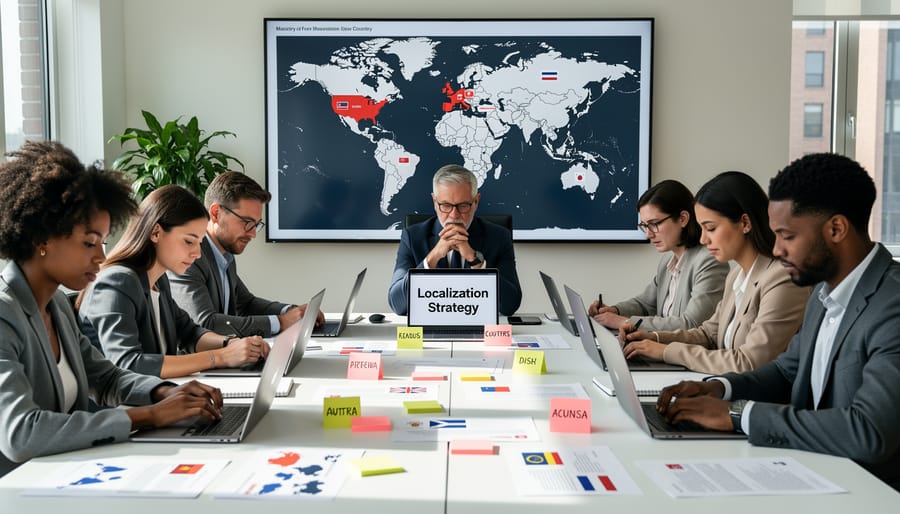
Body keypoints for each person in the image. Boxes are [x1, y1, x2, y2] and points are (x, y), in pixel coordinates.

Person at [657, 154, 900, 490]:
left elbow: (868, 431)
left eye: (787, 236)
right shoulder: (822, 291)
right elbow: (787, 371)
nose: (776, 249)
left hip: (870, 492)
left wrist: (739, 415)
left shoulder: (892, 304)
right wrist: (720, 387)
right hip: (812, 471)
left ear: (836, 229)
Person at [0, 141, 223, 477]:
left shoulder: (57, 306)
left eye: (103, 242)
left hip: (60, 477)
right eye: (89, 243)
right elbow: (19, 433)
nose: (101, 257)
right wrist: (148, 416)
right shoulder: (5, 314)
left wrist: (166, 393)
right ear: (41, 238)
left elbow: (104, 376)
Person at [621, 172, 810, 374]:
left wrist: (666, 351)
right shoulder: (736, 276)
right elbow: (708, 334)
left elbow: (749, 362)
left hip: (755, 401)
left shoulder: (782, 278)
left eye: (710, 228)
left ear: (745, 223)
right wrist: (654, 338)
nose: (703, 240)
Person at [78, 185, 270, 379]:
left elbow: (189, 332)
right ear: (156, 232)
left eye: (200, 243)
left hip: (161, 399)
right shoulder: (117, 282)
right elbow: (129, 364)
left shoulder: (159, 281)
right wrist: (220, 357)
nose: (197, 253)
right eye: (189, 241)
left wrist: (232, 345)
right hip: (125, 407)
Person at [168, 171, 322, 337]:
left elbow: (246, 304)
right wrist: (281, 322)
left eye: (256, 224)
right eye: (247, 223)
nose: (253, 233)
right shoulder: (189, 257)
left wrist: (292, 311)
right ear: (216, 214)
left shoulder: (224, 255)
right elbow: (205, 323)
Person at [588, 180, 730, 331]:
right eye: (644, 225)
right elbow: (645, 304)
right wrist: (614, 311)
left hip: (682, 352)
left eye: (654, 223)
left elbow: (692, 324)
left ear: (683, 219)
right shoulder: (667, 261)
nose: (649, 234)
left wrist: (624, 322)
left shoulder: (709, 261)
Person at [388, 164, 522, 316]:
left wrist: (475, 260)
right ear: (434, 202)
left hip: (479, 326)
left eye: (463, 205)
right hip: (431, 325)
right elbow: (398, 304)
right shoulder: (412, 237)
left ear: (476, 202)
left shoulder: (499, 237)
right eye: (445, 205)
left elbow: (510, 305)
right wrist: (433, 257)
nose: (454, 215)